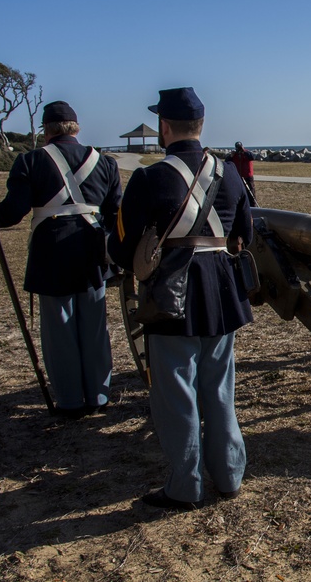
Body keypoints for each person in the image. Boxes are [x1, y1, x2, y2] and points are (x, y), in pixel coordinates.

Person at [109, 87, 253, 511]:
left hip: (173, 294)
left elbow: (122, 246)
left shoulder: (149, 178)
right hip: (222, 291)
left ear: (164, 127)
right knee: (220, 390)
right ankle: (229, 476)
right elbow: (243, 231)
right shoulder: (229, 174)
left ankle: (184, 486)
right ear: (201, 126)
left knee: (176, 396)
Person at [0, 101, 121, 419]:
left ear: (47, 131)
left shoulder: (30, 161)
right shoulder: (105, 164)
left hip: (52, 252)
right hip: (93, 252)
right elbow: (114, 215)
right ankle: (98, 394)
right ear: (75, 128)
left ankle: (70, 400)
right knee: (95, 327)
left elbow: (14, 211)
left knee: (60, 330)